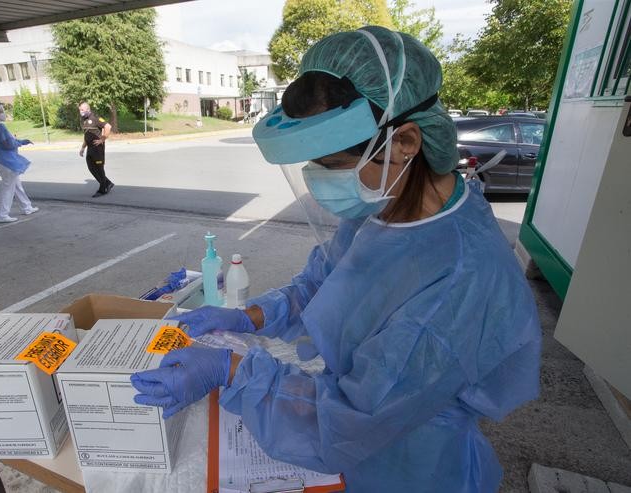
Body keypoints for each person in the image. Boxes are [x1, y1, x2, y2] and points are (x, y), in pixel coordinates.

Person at [131, 26, 541, 493]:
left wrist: (230, 371)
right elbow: (326, 282)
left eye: (332, 166)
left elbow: (356, 415)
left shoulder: (461, 278)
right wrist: (248, 316)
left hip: (412, 468)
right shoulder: (390, 203)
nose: (320, 183)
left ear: (405, 142)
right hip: (364, 452)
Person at [0, 98, 38, 222]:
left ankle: (27, 207)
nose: (3, 113)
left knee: (16, 184)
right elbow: (8, 144)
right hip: (6, 161)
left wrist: (17, 142)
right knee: (8, 187)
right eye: (0, 110)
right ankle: (2, 215)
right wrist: (20, 142)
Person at [78, 102, 113, 197]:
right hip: (90, 148)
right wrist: (82, 148)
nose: (80, 111)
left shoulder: (95, 118)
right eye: (79, 110)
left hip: (98, 148)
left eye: (82, 110)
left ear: (87, 109)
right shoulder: (84, 120)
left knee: (99, 168)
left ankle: (103, 189)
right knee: (91, 167)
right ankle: (107, 183)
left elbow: (108, 126)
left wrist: (102, 139)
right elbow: (86, 136)